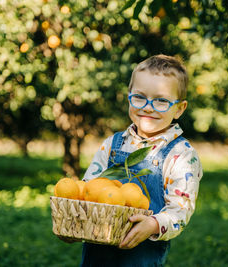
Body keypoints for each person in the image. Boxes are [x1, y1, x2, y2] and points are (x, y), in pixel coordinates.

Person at [80, 54, 203, 266]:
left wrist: (154, 224)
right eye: (139, 97)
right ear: (129, 96)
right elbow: (87, 189)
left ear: (179, 109)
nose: (147, 107)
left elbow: (179, 210)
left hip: (141, 253)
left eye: (161, 101)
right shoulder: (112, 145)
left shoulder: (181, 155)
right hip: (97, 248)